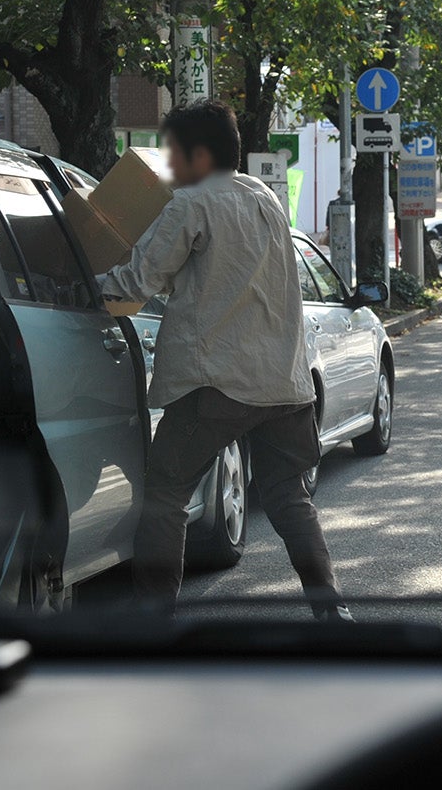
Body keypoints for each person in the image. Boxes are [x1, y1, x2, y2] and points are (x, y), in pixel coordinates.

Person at [100, 100, 350, 622]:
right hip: (285, 382)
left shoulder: (190, 204)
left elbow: (137, 282)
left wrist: (81, 286)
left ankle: (153, 618)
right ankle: (330, 609)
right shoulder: (264, 197)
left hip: (216, 382)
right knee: (289, 497)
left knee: (165, 496)